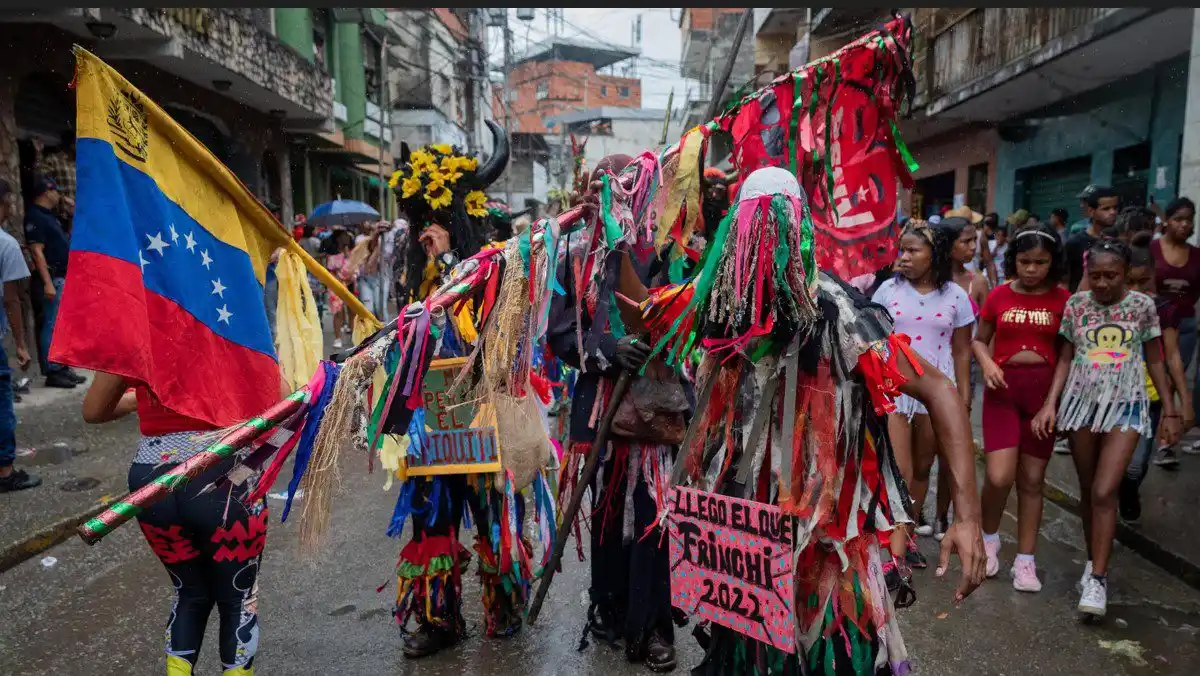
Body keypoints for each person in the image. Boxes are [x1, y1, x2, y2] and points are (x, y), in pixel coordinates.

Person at [647, 168, 984, 673]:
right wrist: (609, 243)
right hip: (745, 540)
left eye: (775, 228)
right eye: (753, 228)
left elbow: (940, 388)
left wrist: (969, 518)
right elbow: (647, 316)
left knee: (829, 654)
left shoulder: (837, 312)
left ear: (798, 232)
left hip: (827, 542)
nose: (765, 242)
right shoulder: (718, 301)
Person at [547, 153, 686, 672]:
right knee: (606, 514)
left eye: (619, 186)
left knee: (651, 516)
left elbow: (680, 319)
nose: (604, 196)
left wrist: (649, 342)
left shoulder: (665, 249)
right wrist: (607, 348)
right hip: (599, 408)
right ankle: (607, 606)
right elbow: (559, 331)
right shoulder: (574, 251)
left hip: (652, 410)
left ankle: (651, 627)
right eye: (597, 186)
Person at [383, 124, 516, 659]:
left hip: (481, 414)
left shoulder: (489, 266)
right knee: (430, 518)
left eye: (433, 221)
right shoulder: (412, 272)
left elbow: (484, 331)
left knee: (489, 515)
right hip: (431, 421)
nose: (424, 233)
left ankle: (501, 606)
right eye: (417, 223)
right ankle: (440, 619)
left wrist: (449, 264)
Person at [81, 370, 284, 675]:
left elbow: (94, 410)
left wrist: (147, 398)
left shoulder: (138, 326)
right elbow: (280, 396)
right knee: (238, 599)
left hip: (152, 479)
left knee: (189, 593)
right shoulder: (235, 322)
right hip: (224, 471)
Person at [1035, 238, 1180, 617]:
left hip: (1127, 404)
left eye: (1110, 275)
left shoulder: (1142, 306)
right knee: (1088, 491)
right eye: (1095, 274)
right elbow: (1065, 358)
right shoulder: (1076, 305)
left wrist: (1170, 410)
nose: (1101, 283)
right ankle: (1091, 561)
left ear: (1126, 273)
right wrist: (1051, 403)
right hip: (1082, 404)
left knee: (1104, 489)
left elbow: (1155, 360)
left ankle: (1098, 579)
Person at [871, 220, 975, 577]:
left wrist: (962, 395)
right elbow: (873, 342)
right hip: (896, 391)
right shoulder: (886, 291)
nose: (905, 257)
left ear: (936, 255)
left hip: (936, 392)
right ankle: (895, 557)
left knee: (922, 468)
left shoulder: (957, 297)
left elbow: (962, 351)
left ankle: (909, 535)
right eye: (902, 250)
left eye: (914, 250)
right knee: (900, 470)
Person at [972, 224, 1070, 591]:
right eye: (1025, 261)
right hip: (1002, 394)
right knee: (999, 476)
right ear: (1014, 260)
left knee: (1032, 481)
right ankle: (989, 537)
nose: (1032, 269)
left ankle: (1026, 561)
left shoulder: (1064, 300)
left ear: (1052, 262)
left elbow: (1065, 356)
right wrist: (987, 363)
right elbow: (979, 341)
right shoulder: (998, 296)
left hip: (1042, 399)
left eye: (1040, 262)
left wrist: (1052, 404)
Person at [1121, 239, 1193, 521]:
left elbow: (1172, 356)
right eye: (1130, 283)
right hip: (1114, 394)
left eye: (1142, 282)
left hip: (1149, 397)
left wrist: (1181, 403)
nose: (1137, 290)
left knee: (1137, 465)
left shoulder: (1163, 309)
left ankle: (1128, 491)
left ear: (1152, 276)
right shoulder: (1109, 306)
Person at [927, 216, 989, 541]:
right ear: (946, 246)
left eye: (974, 241)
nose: (971, 247)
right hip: (926, 376)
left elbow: (979, 339)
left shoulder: (976, 283)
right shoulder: (924, 280)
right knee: (924, 450)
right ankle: (916, 516)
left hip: (959, 375)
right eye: (965, 241)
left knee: (951, 450)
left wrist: (966, 392)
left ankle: (942, 516)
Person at [1146, 197, 1200, 467]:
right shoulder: (1152, 249)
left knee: (1174, 380)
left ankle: (1165, 444)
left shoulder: (1197, 255)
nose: (1184, 224)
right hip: (1155, 324)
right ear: (1166, 220)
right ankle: (1154, 437)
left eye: (1189, 219)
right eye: (1179, 218)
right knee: (1161, 382)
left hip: (1186, 325)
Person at [23, 174, 83, 388]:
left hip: (61, 276)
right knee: (51, 324)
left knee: (62, 325)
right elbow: (37, 252)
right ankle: (53, 370)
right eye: (57, 191)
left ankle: (63, 365)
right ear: (47, 191)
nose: (60, 195)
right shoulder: (36, 216)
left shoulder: (50, 216)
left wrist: (73, 214)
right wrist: (47, 282)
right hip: (52, 277)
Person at [0, 178, 39, 493]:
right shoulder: (6, 244)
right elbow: (12, 299)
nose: (12, 208)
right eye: (9, 201)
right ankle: (4, 471)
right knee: (1, 402)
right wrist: (22, 345)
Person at [1064, 186, 1120, 292]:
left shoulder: (1117, 243)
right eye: (1106, 209)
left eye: (1115, 208)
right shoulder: (1075, 243)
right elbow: (1065, 280)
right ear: (1091, 211)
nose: (1113, 212)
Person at [321, 229, 356, 349]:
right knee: (338, 312)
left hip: (351, 284)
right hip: (336, 286)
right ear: (338, 238)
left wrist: (347, 256)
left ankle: (353, 336)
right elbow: (332, 269)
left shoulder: (351, 252)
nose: (346, 238)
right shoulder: (332, 254)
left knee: (352, 311)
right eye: (343, 236)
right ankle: (338, 338)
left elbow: (354, 269)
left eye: (347, 236)